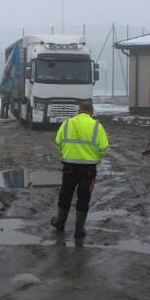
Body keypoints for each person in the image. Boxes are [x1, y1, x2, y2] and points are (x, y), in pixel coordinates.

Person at [51, 101, 109, 238]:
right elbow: (104, 149)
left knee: (65, 193)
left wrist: (68, 153)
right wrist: (94, 156)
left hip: (69, 165)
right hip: (88, 168)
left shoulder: (67, 123)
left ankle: (60, 223)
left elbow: (58, 143)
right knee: (84, 197)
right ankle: (79, 230)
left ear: (79, 111)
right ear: (92, 113)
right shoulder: (96, 126)